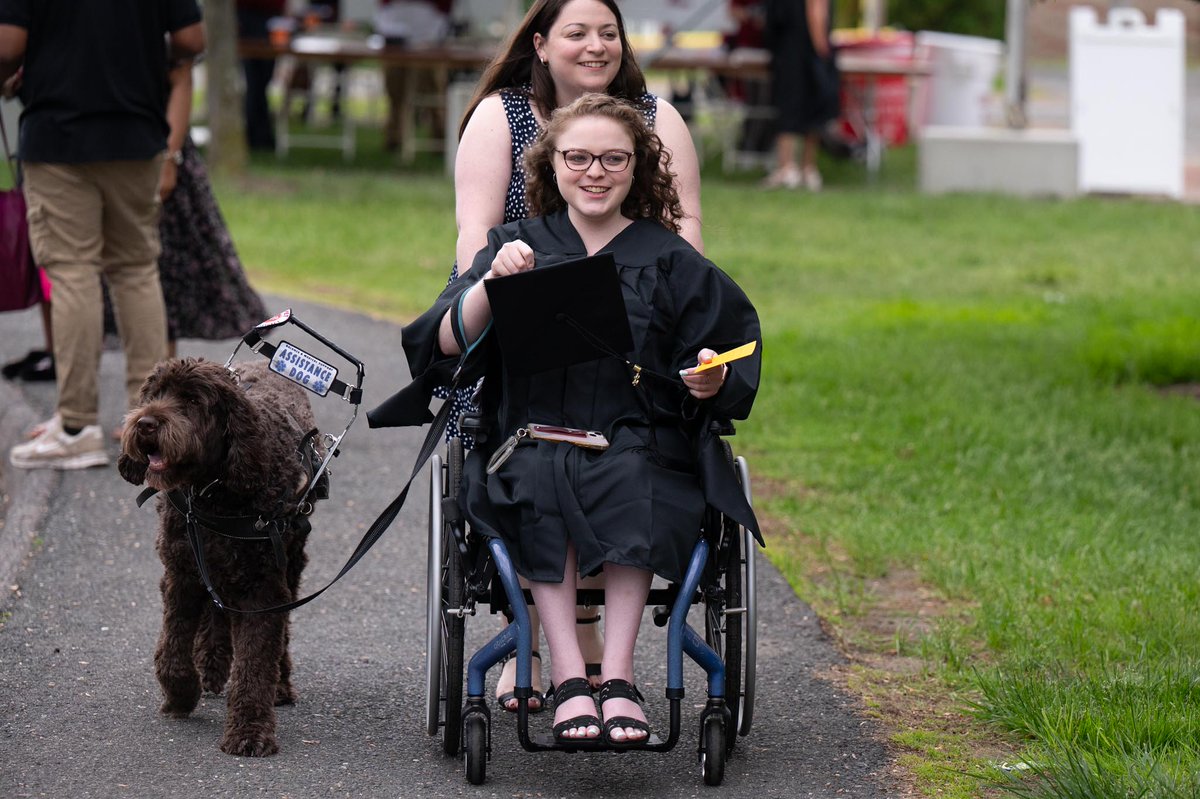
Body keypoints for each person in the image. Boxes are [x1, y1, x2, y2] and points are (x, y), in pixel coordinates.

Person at [392, 94, 761, 743]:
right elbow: (442, 342)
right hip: (531, 435)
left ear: (638, 166)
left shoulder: (671, 259)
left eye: (613, 158)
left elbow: (723, 350)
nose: (595, 170)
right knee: (541, 478)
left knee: (636, 476)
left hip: (641, 436)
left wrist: (713, 376)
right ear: (552, 163)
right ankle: (567, 675)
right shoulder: (518, 245)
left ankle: (615, 677)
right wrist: (488, 285)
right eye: (579, 157)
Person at [447, 0, 706, 713]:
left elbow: (688, 233)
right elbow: (475, 230)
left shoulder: (654, 118)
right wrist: (503, 292)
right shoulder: (504, 117)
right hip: (524, 297)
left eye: (608, 33)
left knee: (635, 442)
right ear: (540, 42)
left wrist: (681, 325)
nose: (595, 46)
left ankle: (599, 659)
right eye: (576, 32)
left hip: (634, 320)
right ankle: (528, 635)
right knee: (521, 438)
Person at [0, 0, 205, 471]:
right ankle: (157, 423)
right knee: (136, 270)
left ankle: (76, 426)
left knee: (73, 273)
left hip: (58, 132)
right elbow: (192, 40)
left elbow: (8, 45)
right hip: (138, 131)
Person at [762, 0, 838, 191]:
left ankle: (788, 167)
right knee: (810, 110)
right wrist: (822, 49)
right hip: (806, 50)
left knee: (791, 107)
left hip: (791, 50)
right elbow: (817, 9)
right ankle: (805, 168)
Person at [374, 0, 453, 154]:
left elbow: (445, 6)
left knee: (432, 91)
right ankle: (394, 136)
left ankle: (439, 137)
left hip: (429, 33)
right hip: (395, 31)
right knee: (394, 90)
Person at [237, 0, 286, 152]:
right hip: (248, 19)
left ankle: (259, 135)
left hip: (271, 19)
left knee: (261, 83)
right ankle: (257, 137)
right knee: (254, 83)